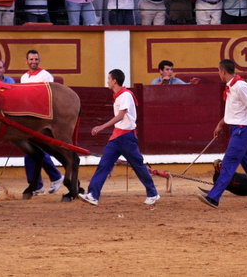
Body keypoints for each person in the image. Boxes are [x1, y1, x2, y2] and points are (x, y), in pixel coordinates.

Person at [79, 69, 159, 206]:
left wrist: (101, 127)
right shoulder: (120, 95)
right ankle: (93, 194)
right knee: (104, 164)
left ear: (115, 80)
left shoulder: (126, 95)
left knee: (138, 165)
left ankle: (153, 193)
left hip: (126, 137)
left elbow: (121, 116)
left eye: (109, 79)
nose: (107, 81)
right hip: (117, 136)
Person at [198, 59, 247, 209]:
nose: (219, 73)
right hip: (237, 129)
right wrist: (220, 124)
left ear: (223, 71)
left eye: (218, 71)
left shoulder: (241, 86)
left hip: (242, 130)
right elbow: (234, 112)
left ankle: (213, 197)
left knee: (229, 163)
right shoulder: (231, 87)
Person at [20, 50, 65, 195]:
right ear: (26, 61)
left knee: (33, 151)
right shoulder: (24, 78)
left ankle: (48, 180)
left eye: (36, 59)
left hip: (42, 118)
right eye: (31, 59)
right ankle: (44, 182)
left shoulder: (45, 75)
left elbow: (50, 96)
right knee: (30, 152)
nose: (34, 61)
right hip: (28, 118)